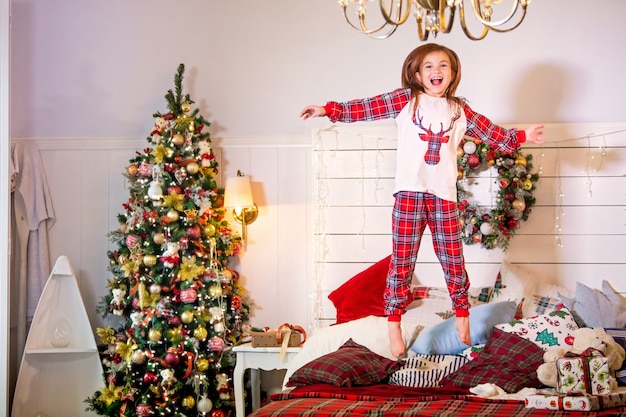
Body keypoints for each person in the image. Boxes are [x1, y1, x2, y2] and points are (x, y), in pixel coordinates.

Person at [300, 43, 544, 357]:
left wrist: (525, 136)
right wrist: (328, 109)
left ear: (453, 73)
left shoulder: (459, 111)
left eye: (443, 66)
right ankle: (394, 325)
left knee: (453, 261)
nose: (436, 71)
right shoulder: (407, 101)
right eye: (428, 66)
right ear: (416, 73)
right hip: (409, 195)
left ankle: (462, 316)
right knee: (402, 263)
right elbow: (367, 107)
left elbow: (493, 133)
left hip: (443, 196)